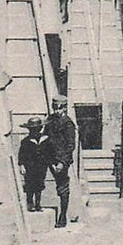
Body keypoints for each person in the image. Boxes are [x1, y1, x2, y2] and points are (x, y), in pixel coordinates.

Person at [44, 96, 77, 228]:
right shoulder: (50, 120)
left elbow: (70, 146)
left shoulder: (68, 123)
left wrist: (62, 162)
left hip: (62, 159)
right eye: (55, 108)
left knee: (62, 187)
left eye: (60, 108)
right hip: (50, 158)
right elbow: (46, 136)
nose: (57, 111)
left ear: (64, 108)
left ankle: (63, 217)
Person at [18, 117, 52, 213]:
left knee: (39, 184)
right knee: (29, 184)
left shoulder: (46, 140)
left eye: (36, 129)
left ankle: (38, 204)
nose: (34, 131)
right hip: (30, 167)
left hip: (41, 166)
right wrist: (21, 165)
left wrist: (51, 163)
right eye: (32, 129)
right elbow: (21, 154)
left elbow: (49, 153)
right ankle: (30, 202)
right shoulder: (25, 141)